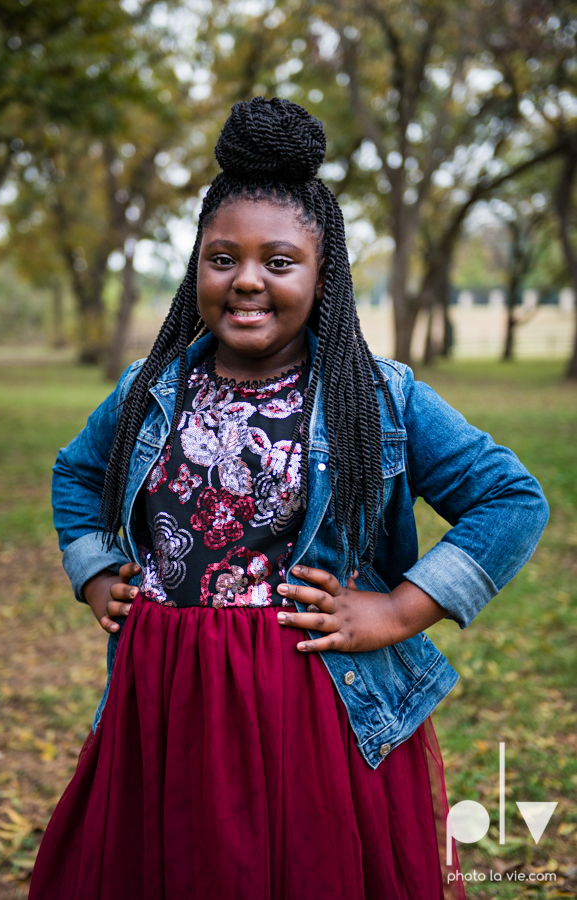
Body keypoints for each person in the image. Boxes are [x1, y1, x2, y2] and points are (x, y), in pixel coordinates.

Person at [29, 97, 549, 900]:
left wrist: (399, 610)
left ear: (321, 274)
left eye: (278, 262)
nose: (246, 281)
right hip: (164, 695)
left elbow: (510, 499)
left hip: (307, 705)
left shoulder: (375, 397)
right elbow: (75, 473)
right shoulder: (150, 390)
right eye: (221, 257)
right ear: (195, 267)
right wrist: (96, 568)